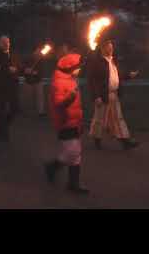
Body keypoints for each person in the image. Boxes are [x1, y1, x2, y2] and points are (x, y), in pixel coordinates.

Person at [45, 53, 89, 195]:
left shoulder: (71, 78)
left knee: (75, 153)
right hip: (64, 121)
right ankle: (52, 167)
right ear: (70, 68)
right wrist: (70, 98)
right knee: (72, 151)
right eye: (78, 68)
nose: (79, 70)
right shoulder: (58, 81)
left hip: (74, 120)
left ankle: (73, 183)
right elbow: (58, 104)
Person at [87, 36, 139, 150]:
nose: (111, 49)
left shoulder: (113, 61)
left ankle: (126, 141)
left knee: (118, 118)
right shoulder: (97, 62)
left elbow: (117, 75)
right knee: (99, 119)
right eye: (109, 48)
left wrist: (129, 75)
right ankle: (97, 140)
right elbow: (92, 81)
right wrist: (96, 96)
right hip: (102, 95)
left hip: (114, 95)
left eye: (112, 47)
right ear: (102, 49)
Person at [0, 35, 22, 142]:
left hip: (13, 86)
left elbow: (19, 67)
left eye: (7, 42)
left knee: (15, 108)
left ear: (9, 43)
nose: (5, 44)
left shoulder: (14, 54)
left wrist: (16, 69)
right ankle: (3, 134)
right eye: (3, 42)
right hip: (0, 87)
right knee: (1, 111)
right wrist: (7, 69)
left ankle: (3, 124)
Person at [23, 46, 46, 117]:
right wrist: (26, 70)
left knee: (40, 97)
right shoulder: (28, 59)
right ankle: (28, 111)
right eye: (37, 51)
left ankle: (40, 111)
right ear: (34, 51)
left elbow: (42, 70)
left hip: (38, 81)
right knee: (28, 97)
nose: (38, 52)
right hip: (29, 81)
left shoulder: (41, 60)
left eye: (39, 51)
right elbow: (23, 68)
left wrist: (35, 72)